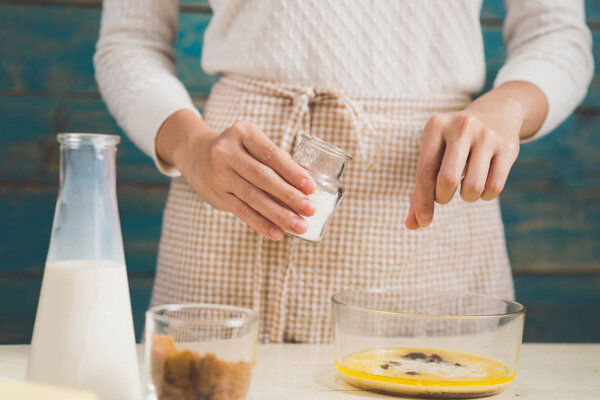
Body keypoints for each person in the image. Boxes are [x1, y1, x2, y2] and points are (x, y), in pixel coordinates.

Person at [94, 1, 593, 343]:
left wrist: (505, 107)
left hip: (433, 192)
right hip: (237, 190)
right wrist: (192, 146)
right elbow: (128, 41)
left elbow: (556, 36)